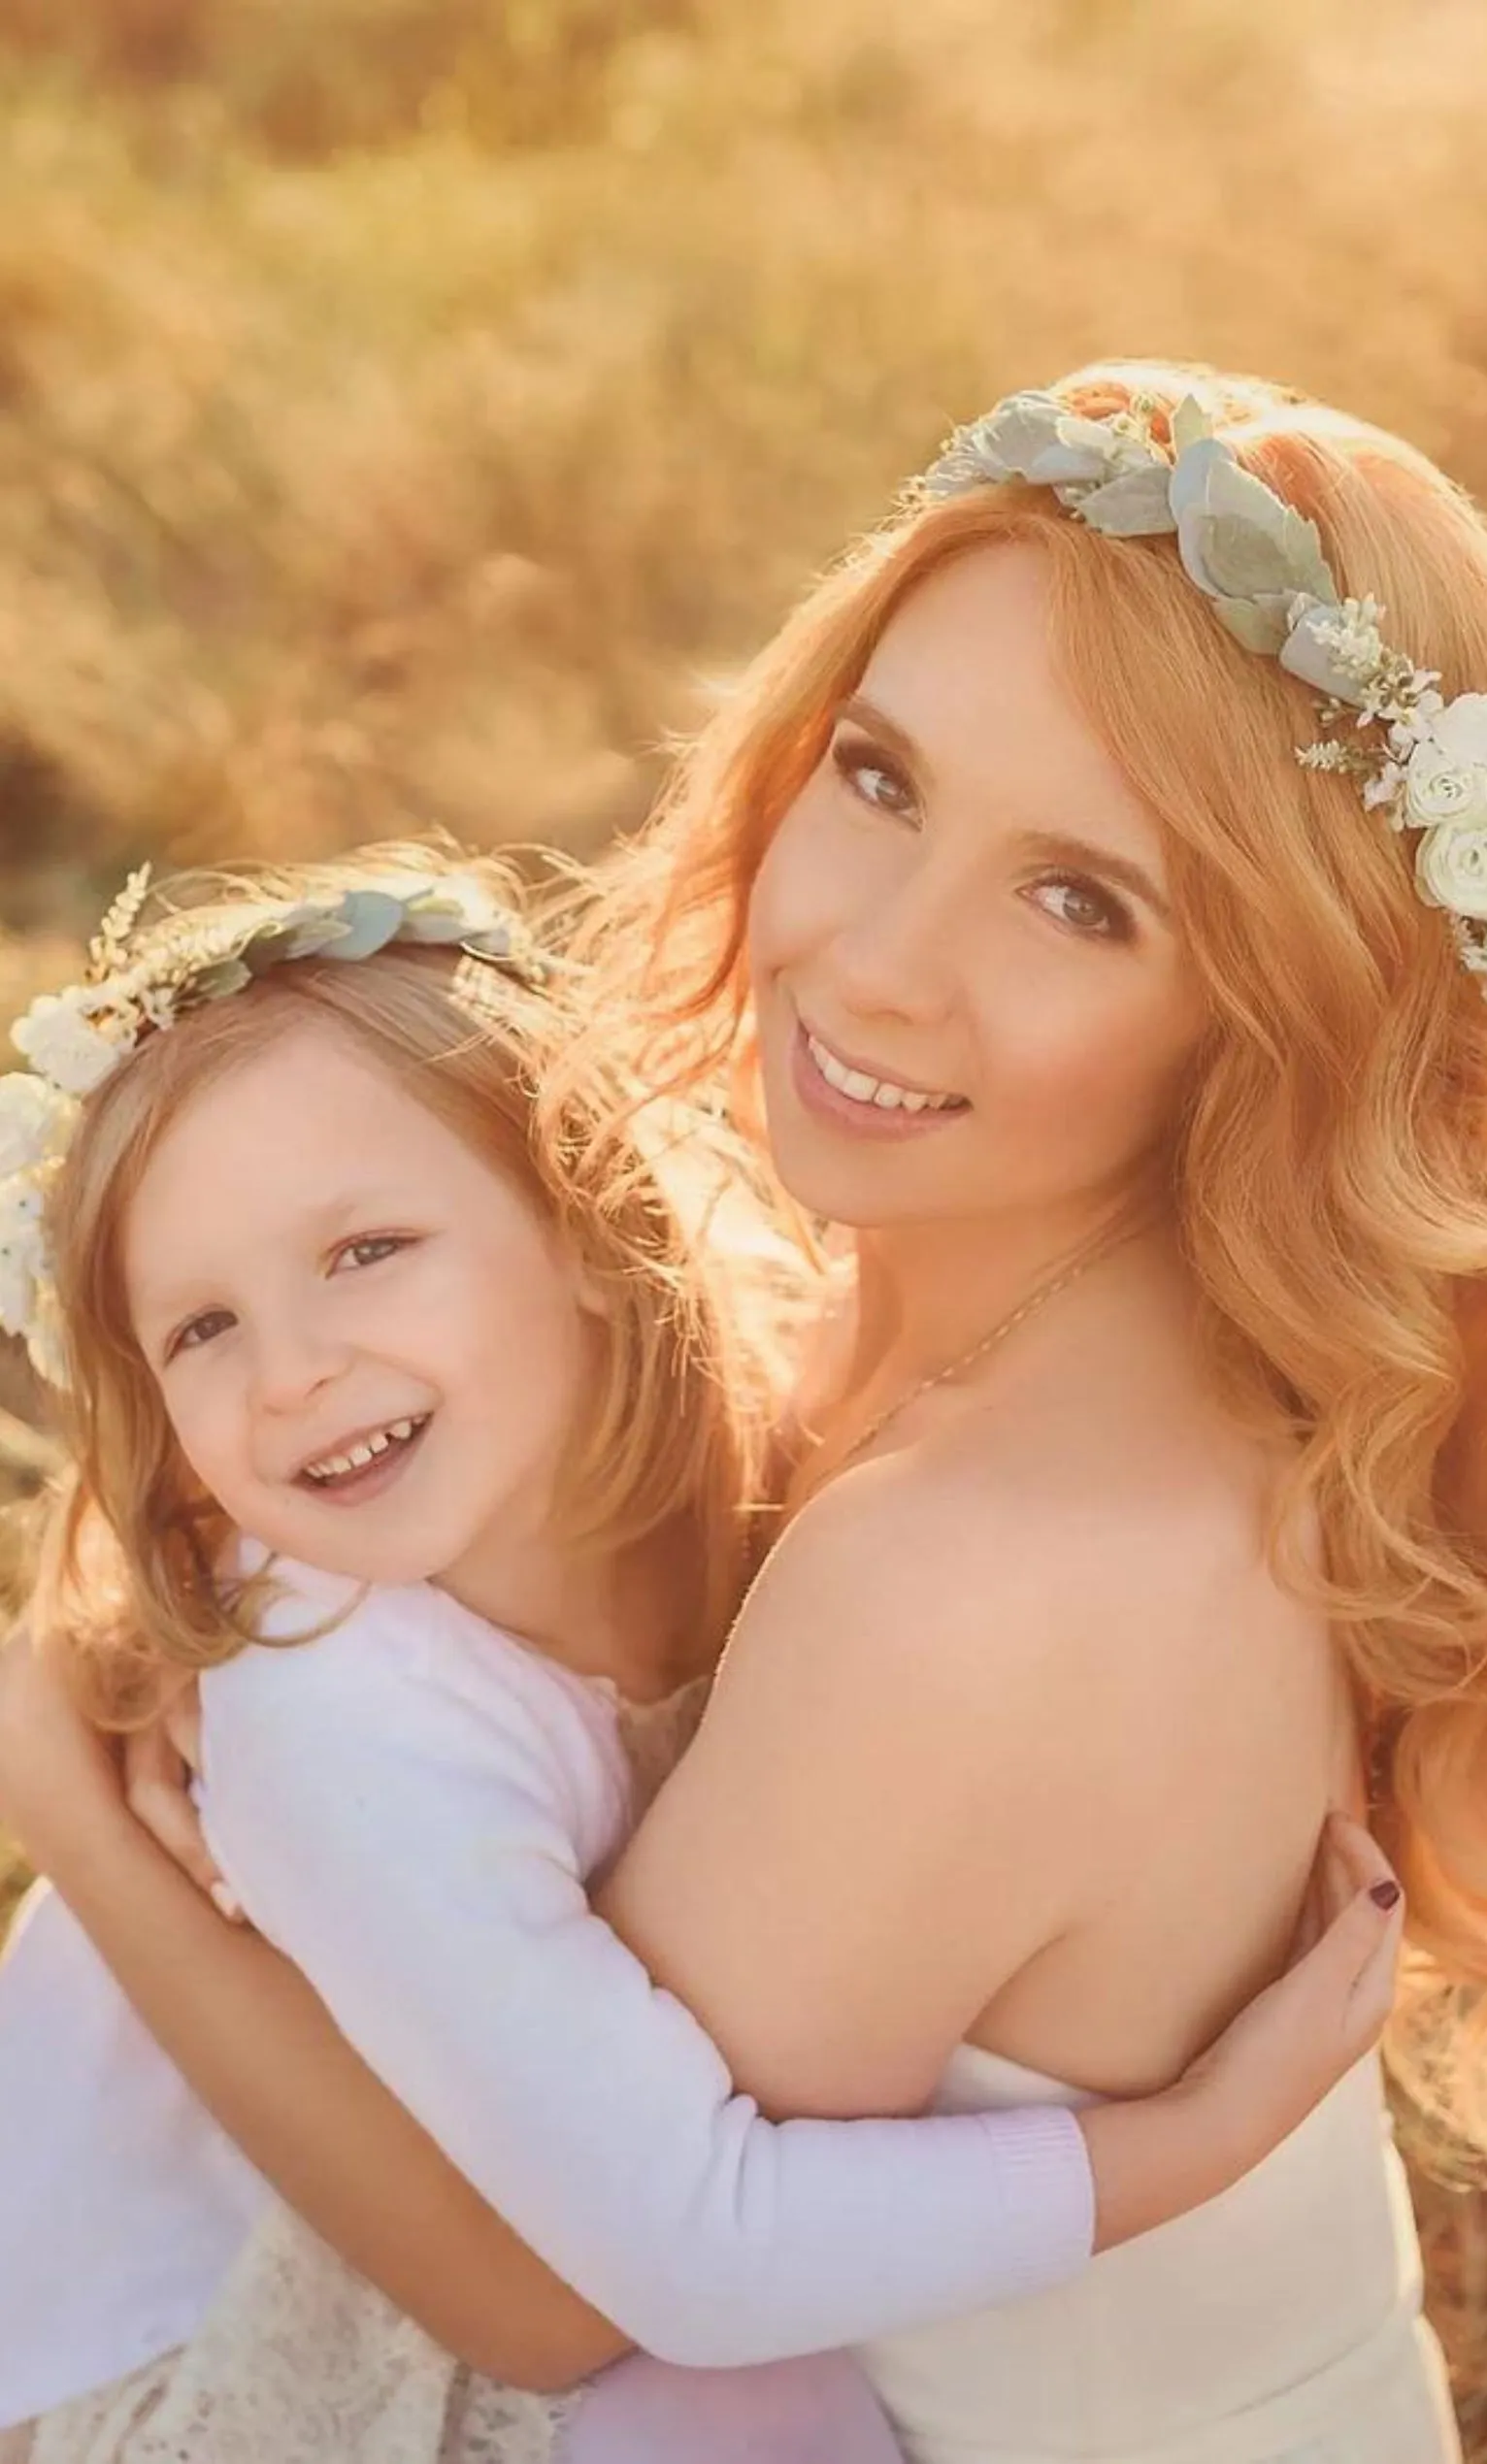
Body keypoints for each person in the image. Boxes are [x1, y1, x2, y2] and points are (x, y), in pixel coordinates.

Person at [6, 358, 1487, 2462]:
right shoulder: (1031, 1331)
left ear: (1273, 1008)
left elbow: (553, 2292)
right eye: (881, 778)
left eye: (1081, 901)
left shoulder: (967, 1568)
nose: (874, 962)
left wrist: (70, 1792)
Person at [0, 846, 1400, 2464]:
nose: (296, 1370)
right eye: (201, 1328)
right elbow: (659, 2267)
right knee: (749, 2416)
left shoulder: (745, 1439)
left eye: (366, 1249)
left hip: (533, 2201)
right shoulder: (337, 1704)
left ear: (583, 1222)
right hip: (221, 2325)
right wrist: (1197, 2139)